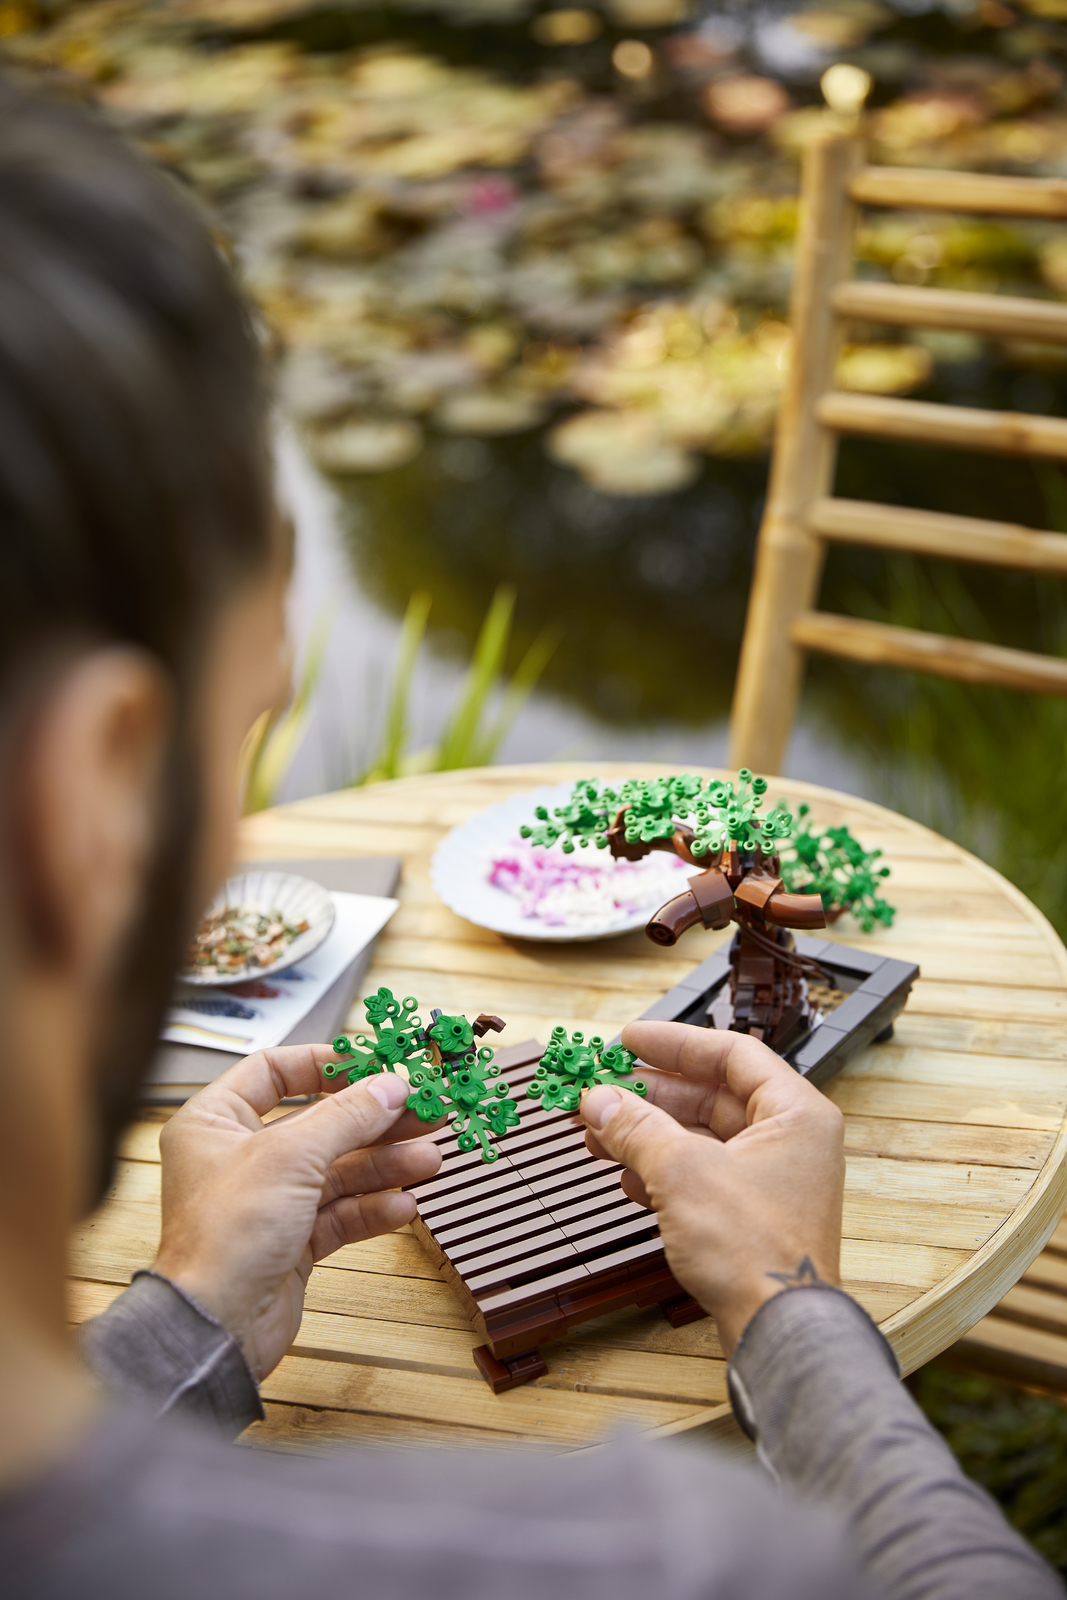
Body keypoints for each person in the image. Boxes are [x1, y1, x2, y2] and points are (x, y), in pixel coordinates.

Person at [0, 77, 1060, 1600]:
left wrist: (182, 1329)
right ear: (90, 799)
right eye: (242, 731)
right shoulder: (669, 1571)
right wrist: (784, 1305)